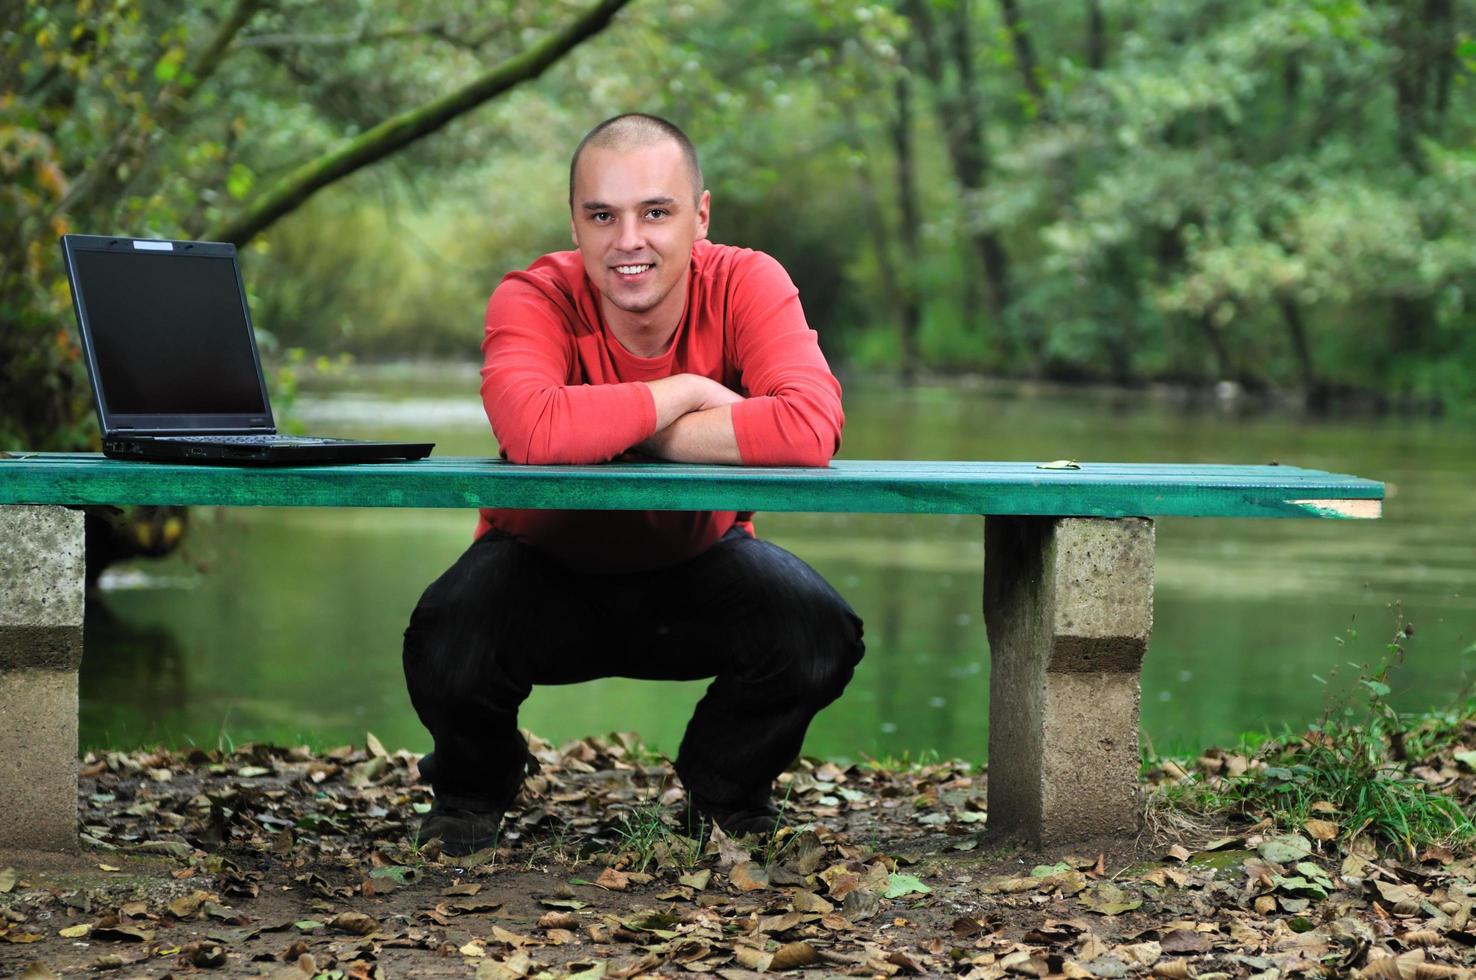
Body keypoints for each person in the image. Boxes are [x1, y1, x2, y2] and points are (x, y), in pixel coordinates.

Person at [402, 113, 864, 856]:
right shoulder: (532, 295)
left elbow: (810, 427)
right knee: (448, 634)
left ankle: (724, 792)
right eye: (602, 216)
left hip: (699, 569)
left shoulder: (748, 281)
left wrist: (617, 430)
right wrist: (686, 389)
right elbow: (532, 433)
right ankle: (472, 790)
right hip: (538, 575)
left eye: (656, 211)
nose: (629, 241)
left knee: (816, 632)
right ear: (575, 224)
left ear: (700, 216)